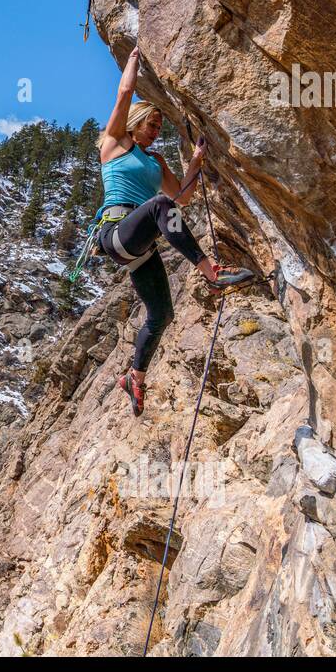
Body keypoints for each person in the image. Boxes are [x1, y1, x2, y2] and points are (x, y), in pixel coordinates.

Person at [95, 47, 254, 416]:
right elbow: (123, 94)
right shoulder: (114, 144)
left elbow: (180, 198)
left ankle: (134, 377)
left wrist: (197, 160)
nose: (154, 132)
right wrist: (134, 56)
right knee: (157, 207)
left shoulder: (156, 160)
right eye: (151, 125)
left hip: (140, 242)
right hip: (117, 232)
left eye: (158, 128)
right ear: (134, 124)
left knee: (162, 314)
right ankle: (211, 271)